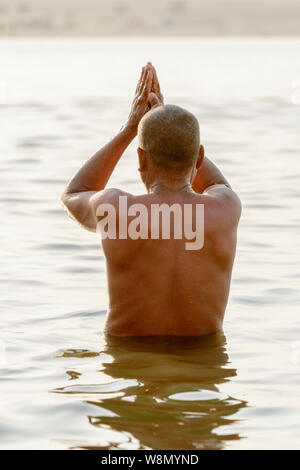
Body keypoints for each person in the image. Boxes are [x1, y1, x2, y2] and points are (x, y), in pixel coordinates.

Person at [61, 62, 241, 336]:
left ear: (141, 158)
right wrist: (165, 120)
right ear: (199, 157)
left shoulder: (117, 210)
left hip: (127, 361)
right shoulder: (225, 209)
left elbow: (74, 193)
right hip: (202, 362)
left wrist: (129, 129)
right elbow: (217, 183)